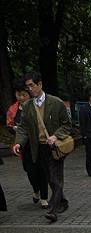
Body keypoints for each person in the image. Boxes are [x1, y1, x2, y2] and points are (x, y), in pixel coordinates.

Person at [13, 70, 72, 223]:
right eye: (27, 86)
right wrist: (19, 142)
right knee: (50, 179)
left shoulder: (56, 103)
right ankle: (63, 201)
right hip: (38, 148)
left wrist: (55, 135)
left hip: (54, 147)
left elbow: (67, 125)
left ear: (40, 84)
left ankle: (52, 211)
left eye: (31, 85)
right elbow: (23, 128)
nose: (29, 89)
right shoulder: (27, 106)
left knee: (55, 178)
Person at [7, 79, 49, 208]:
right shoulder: (13, 109)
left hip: (40, 143)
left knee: (43, 170)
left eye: (23, 94)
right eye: (18, 94)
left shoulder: (36, 105)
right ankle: (36, 189)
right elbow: (10, 124)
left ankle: (44, 197)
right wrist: (15, 131)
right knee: (30, 171)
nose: (21, 97)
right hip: (25, 146)